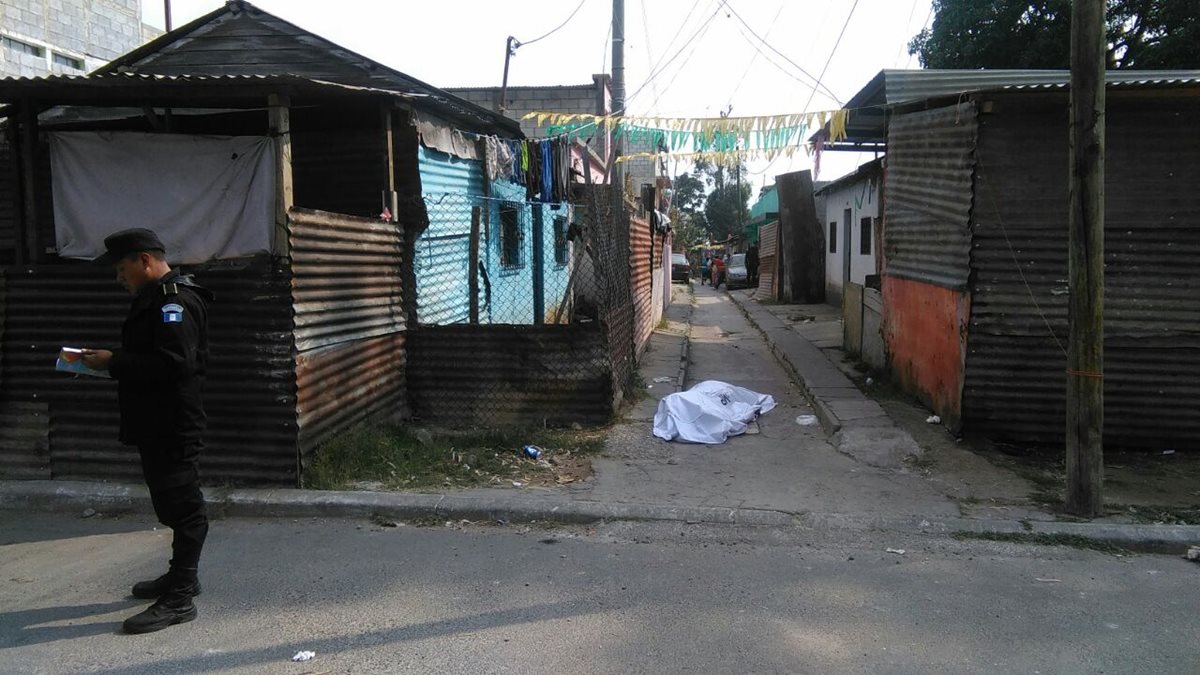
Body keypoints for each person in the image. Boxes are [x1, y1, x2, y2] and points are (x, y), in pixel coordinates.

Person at [80, 228, 213, 635]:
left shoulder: (174, 302)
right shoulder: (154, 298)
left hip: (173, 424)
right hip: (156, 422)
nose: (118, 278)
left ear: (144, 261)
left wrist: (113, 362)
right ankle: (180, 576)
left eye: (122, 269)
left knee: (184, 508)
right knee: (169, 504)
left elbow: (175, 364)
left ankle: (181, 598)